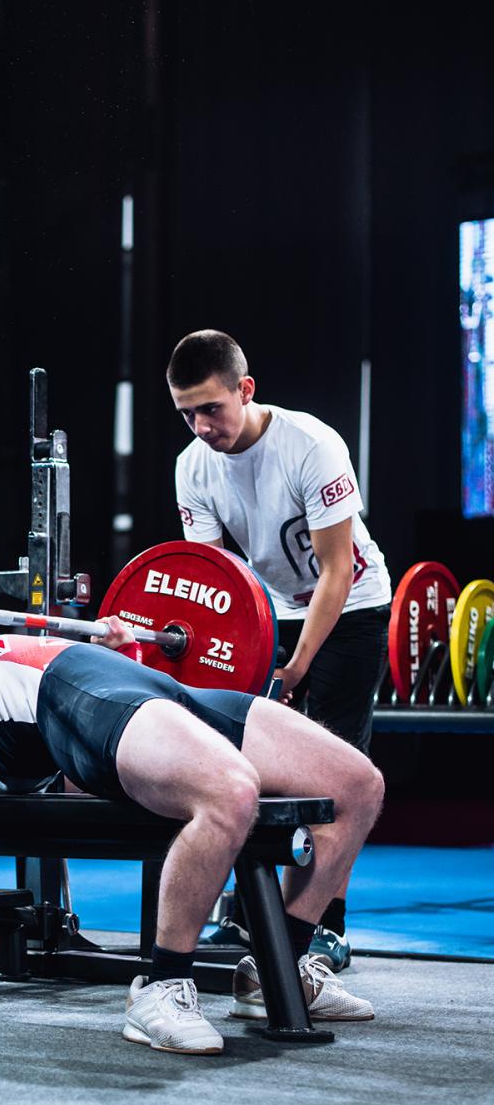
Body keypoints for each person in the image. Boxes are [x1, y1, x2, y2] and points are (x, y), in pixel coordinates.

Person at [0, 584, 384, 1056]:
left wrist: (129, 659)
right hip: (74, 692)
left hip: (126, 687)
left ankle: (277, 968)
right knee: (230, 792)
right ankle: (161, 986)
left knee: (357, 786)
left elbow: (86, 771)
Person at [168, 329, 392, 970]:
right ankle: (250, 918)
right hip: (271, 616)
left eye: (212, 408)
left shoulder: (313, 445)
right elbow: (210, 581)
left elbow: (336, 574)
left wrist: (295, 667)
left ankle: (327, 928)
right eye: (186, 413)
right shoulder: (192, 465)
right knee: (249, 769)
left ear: (246, 389)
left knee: (335, 777)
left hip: (351, 609)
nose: (201, 426)